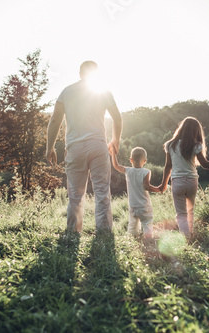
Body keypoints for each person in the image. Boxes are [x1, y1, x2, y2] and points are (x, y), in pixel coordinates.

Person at [46, 61, 122, 233]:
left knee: (75, 194)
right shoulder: (103, 91)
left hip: (74, 148)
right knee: (102, 192)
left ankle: (73, 232)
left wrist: (49, 147)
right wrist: (116, 140)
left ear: (80, 73)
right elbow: (117, 118)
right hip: (98, 145)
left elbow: (55, 120)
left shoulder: (66, 91)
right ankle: (103, 233)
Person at [159, 117, 209, 239]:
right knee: (190, 210)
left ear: (181, 128)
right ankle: (190, 234)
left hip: (177, 182)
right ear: (196, 131)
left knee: (181, 214)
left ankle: (187, 238)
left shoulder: (170, 145)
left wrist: (163, 184)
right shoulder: (196, 146)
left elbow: (168, 166)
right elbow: (205, 164)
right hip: (192, 182)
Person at [111, 147, 160, 239]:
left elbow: (116, 166)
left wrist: (113, 153)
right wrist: (158, 189)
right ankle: (148, 241)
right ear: (144, 161)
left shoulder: (128, 171)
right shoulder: (146, 172)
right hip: (144, 206)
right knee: (147, 223)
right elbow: (146, 186)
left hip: (133, 206)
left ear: (131, 160)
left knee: (132, 226)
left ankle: (131, 240)